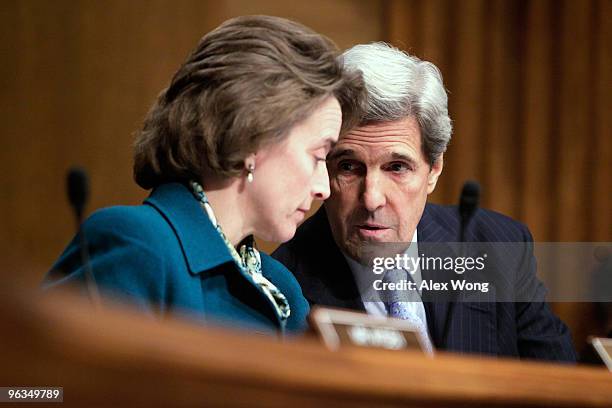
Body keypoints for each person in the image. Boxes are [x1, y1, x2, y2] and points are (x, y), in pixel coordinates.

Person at [43, 15, 365, 335]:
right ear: (252, 138)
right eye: (318, 156)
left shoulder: (282, 288)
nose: (324, 188)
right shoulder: (138, 244)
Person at [273, 42, 577, 360]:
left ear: (433, 169)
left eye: (397, 167)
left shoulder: (498, 247)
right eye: (348, 167)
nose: (372, 198)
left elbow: (562, 387)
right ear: (323, 167)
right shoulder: (283, 284)